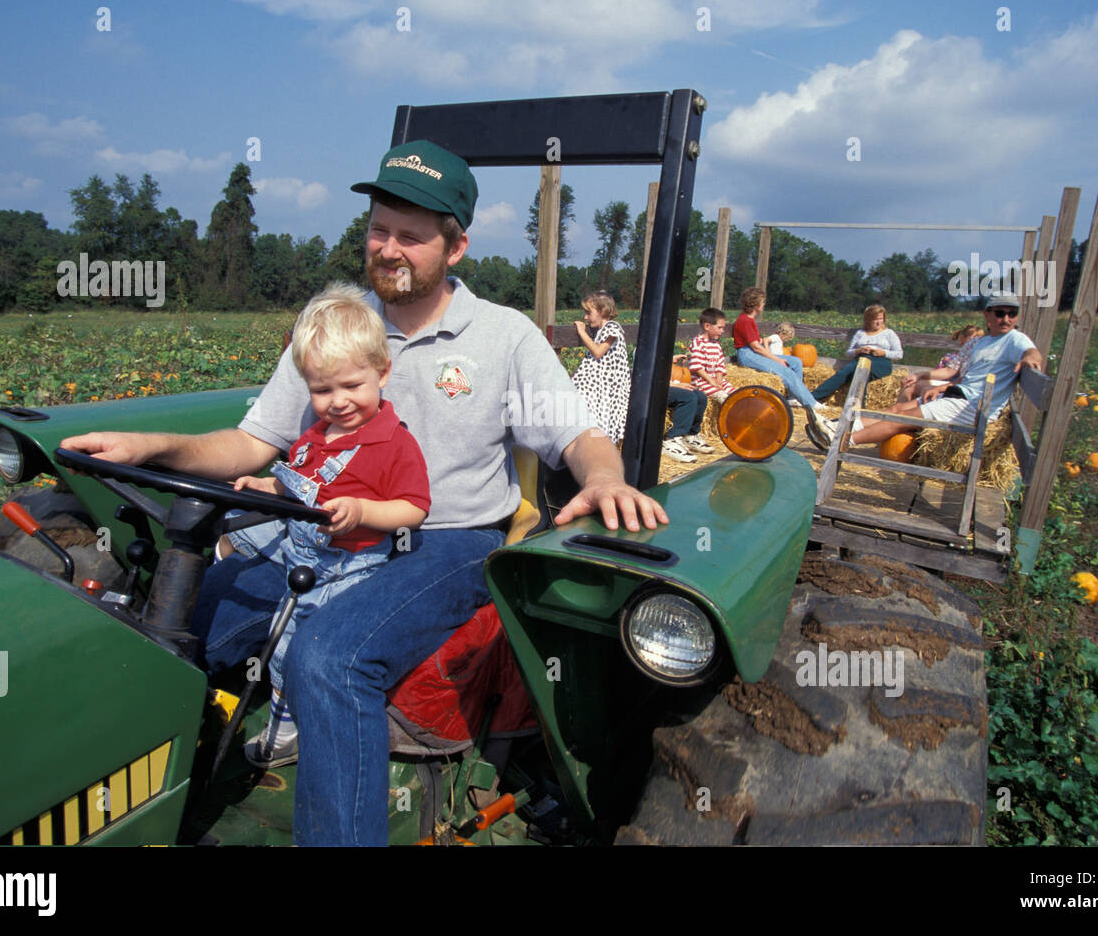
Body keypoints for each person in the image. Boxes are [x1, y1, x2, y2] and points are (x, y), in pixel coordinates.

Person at [60, 138, 666, 846]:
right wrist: (152, 446)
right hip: (330, 529)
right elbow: (254, 444)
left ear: (456, 246)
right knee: (171, 622)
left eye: (411, 236)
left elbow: (580, 436)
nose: (389, 248)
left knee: (331, 655)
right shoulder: (338, 325)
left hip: (449, 541)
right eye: (380, 229)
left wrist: (605, 477)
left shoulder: (504, 337)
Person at [215, 285, 430, 768]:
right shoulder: (314, 438)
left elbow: (414, 509)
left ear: (382, 372)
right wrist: (267, 488)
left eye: (352, 386)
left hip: (347, 560)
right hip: (302, 541)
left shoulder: (393, 443)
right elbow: (300, 486)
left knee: (292, 642)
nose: (337, 402)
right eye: (322, 390)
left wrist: (363, 511)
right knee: (229, 522)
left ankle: (289, 727)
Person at [825, 294, 1042, 450]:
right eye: (1000, 313)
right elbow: (964, 376)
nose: (1006, 319)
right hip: (959, 395)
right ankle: (837, 428)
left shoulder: (1015, 339)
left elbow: (1032, 352)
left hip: (972, 407)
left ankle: (842, 442)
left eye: (1012, 314)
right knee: (898, 409)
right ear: (987, 315)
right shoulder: (983, 342)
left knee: (900, 419)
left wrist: (1030, 360)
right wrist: (947, 387)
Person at [731, 287, 832, 435]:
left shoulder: (749, 320)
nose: (764, 304)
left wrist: (775, 356)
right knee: (785, 371)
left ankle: (792, 398)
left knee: (796, 362)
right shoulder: (745, 320)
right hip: (748, 354)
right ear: (756, 304)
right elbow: (756, 348)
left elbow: (756, 342)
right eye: (763, 302)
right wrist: (777, 359)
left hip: (754, 350)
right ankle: (811, 404)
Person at [571, 290, 630, 445]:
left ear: (602, 311)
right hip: (601, 386)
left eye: (588, 313)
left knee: (601, 419)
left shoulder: (613, 328)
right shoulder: (602, 331)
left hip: (609, 387)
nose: (585, 317)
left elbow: (597, 352)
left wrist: (582, 332)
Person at [811, 304, 904, 402]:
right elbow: (849, 352)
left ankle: (855, 407)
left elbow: (899, 354)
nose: (878, 322)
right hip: (861, 359)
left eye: (880, 319)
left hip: (880, 362)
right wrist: (859, 351)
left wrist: (883, 352)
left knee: (861, 370)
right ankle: (812, 398)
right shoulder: (860, 333)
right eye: (875, 319)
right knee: (844, 373)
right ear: (868, 320)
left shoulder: (889, 333)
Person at [900, 324, 981, 401]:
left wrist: (939, 388)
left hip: (968, 390)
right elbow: (949, 370)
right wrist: (919, 375)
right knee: (909, 384)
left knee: (927, 390)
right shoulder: (971, 344)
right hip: (956, 385)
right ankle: (899, 413)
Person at [663, 355, 716, 463]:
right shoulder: (645, 346)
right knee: (688, 397)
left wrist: (670, 359)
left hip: (669, 383)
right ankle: (671, 439)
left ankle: (690, 435)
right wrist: (674, 385)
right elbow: (648, 374)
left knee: (701, 396)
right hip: (654, 387)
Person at [687, 307, 735, 402]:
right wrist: (711, 381)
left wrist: (719, 378)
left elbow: (720, 364)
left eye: (723, 328)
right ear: (707, 326)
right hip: (701, 382)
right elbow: (698, 368)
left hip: (714, 379)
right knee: (723, 397)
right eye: (719, 327)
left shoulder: (716, 344)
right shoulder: (698, 343)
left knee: (735, 393)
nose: (722, 331)